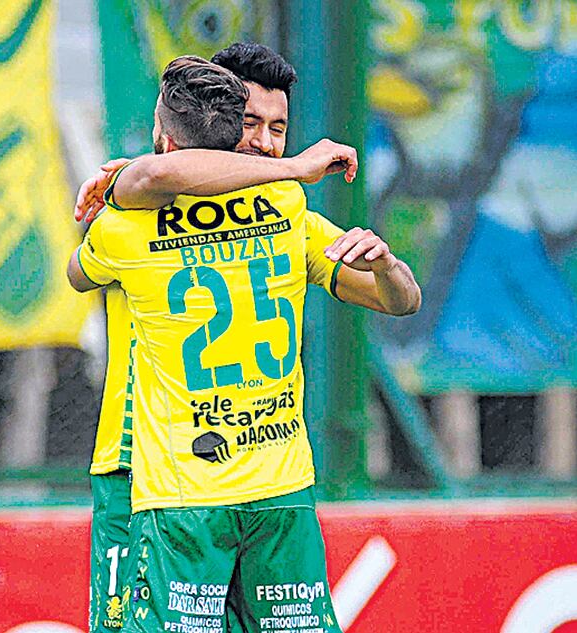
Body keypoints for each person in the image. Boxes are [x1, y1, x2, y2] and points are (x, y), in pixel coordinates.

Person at [69, 53, 420, 632]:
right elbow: (159, 178)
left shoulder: (273, 210)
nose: (260, 144)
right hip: (136, 462)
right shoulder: (268, 197)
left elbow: (402, 298)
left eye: (277, 129)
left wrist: (384, 264)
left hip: (231, 480)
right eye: (247, 125)